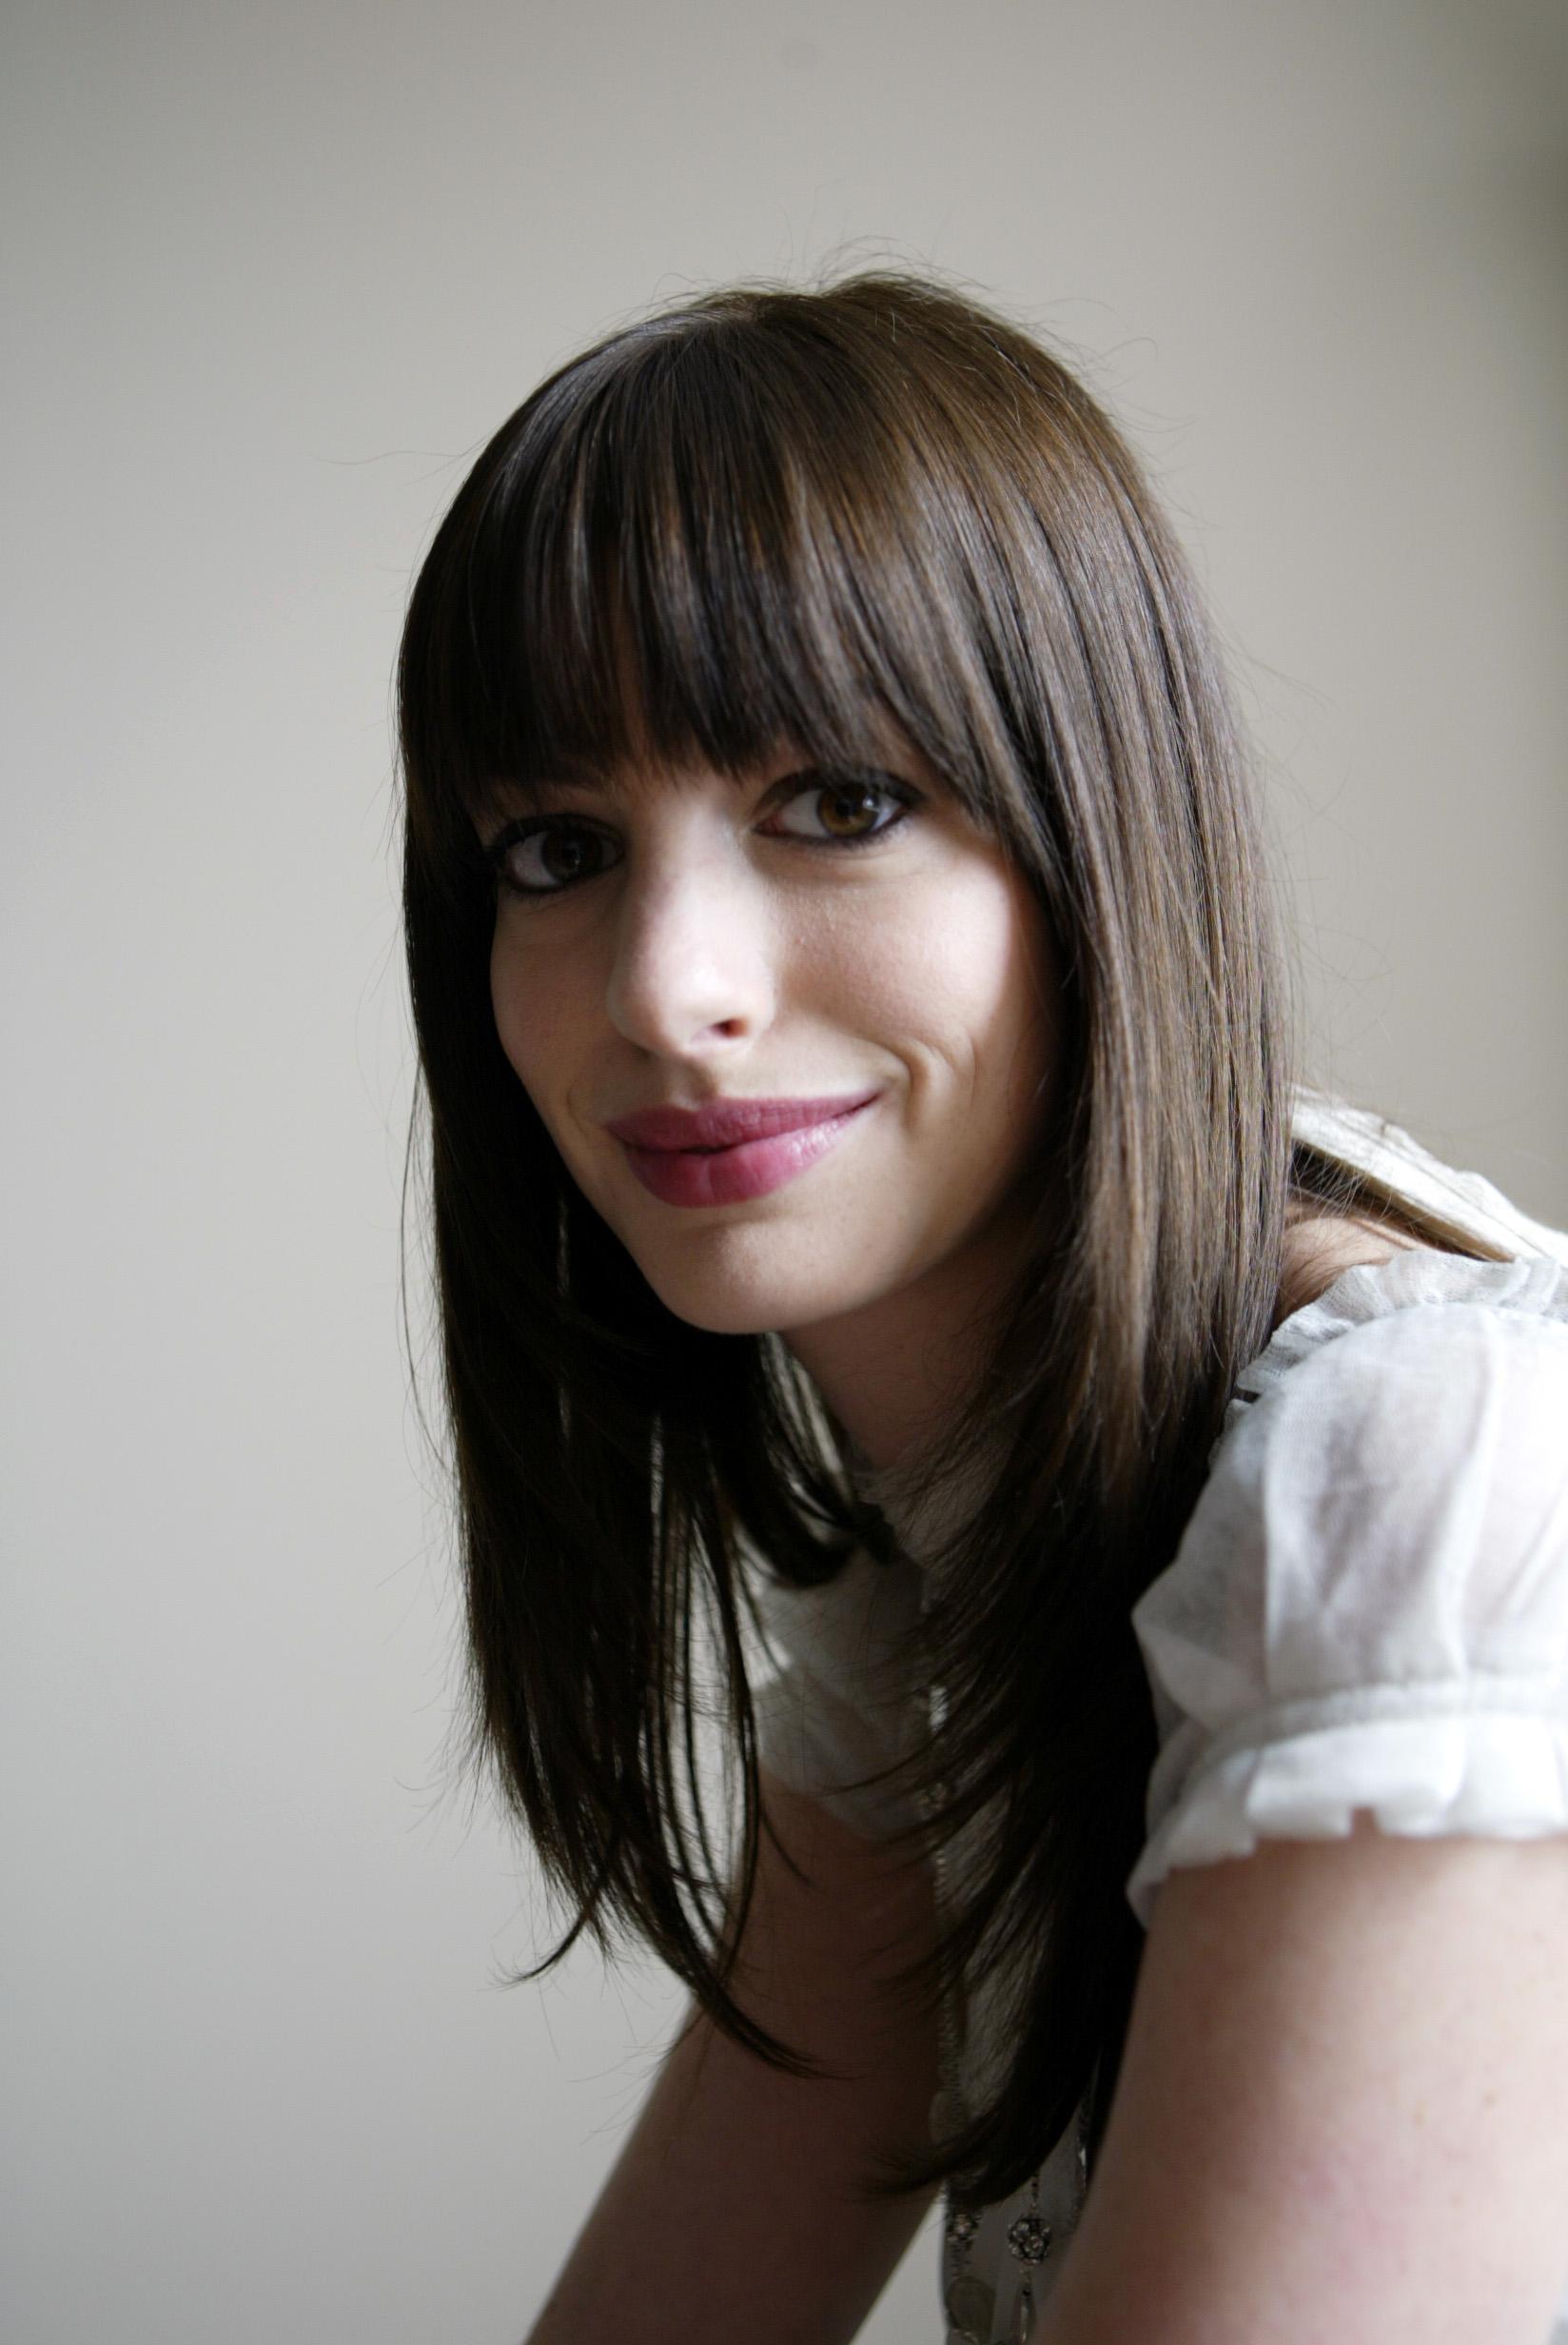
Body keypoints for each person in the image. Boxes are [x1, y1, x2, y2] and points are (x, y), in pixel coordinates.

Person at [396, 270, 1568, 2343]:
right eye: (559, 848)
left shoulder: (1421, 1479)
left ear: (1097, 830)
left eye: (839, 804)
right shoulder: (935, 1553)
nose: (665, 989)